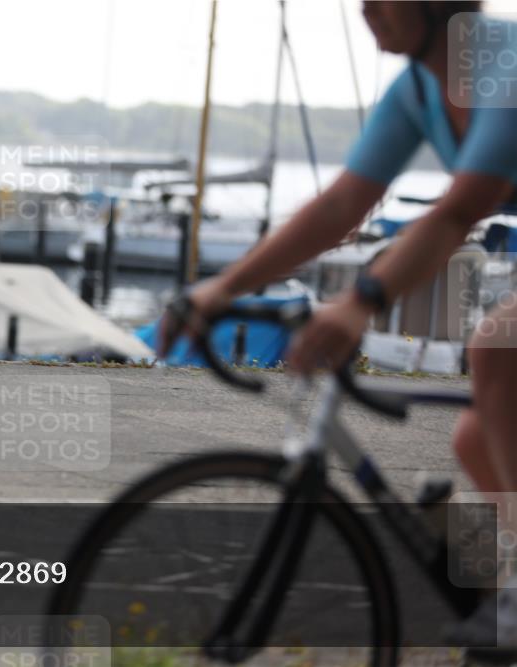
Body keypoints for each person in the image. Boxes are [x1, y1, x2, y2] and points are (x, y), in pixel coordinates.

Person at [159, 0, 517, 648]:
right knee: (476, 438)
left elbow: (461, 207)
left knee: (496, 348)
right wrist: (221, 287)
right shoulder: (419, 87)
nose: (365, 10)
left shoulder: (500, 63)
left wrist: (362, 300)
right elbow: (339, 204)